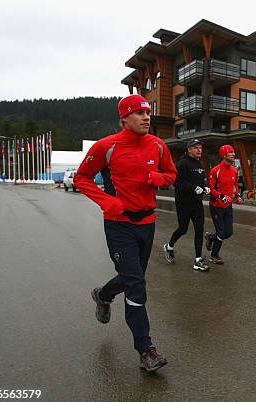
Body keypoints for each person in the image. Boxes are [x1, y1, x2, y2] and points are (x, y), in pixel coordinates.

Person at [74, 94, 177, 372]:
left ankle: (103, 295)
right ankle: (146, 350)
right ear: (124, 118)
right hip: (119, 226)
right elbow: (81, 178)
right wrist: (108, 202)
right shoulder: (106, 146)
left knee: (134, 278)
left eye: (147, 113)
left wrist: (159, 179)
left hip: (148, 223)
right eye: (139, 113)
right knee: (136, 285)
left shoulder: (157, 145)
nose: (146, 117)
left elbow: (171, 174)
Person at [163, 138, 210, 272]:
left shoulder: (200, 165)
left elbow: (201, 181)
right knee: (183, 229)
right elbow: (176, 182)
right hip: (184, 203)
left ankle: (198, 260)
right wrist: (193, 188)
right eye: (195, 147)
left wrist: (205, 187)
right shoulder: (182, 163)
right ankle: (169, 246)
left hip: (197, 203)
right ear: (189, 149)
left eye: (200, 147)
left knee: (199, 230)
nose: (199, 150)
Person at [204, 144, 242, 265]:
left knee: (228, 233)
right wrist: (221, 196)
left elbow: (235, 185)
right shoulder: (215, 170)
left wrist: (238, 196)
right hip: (216, 205)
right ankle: (214, 256)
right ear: (224, 155)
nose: (233, 154)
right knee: (221, 232)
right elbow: (210, 188)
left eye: (233, 152)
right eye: (230, 152)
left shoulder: (234, 170)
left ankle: (211, 237)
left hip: (228, 205)